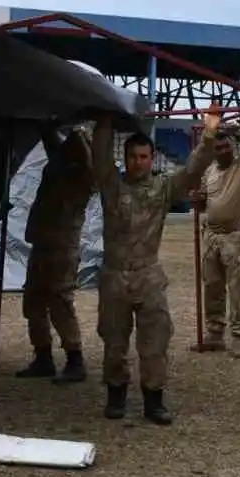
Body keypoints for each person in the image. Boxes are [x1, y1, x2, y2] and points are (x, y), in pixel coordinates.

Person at [92, 106, 221, 423]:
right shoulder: (112, 186)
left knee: (155, 342)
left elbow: (191, 171)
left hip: (149, 276)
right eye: (133, 157)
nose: (139, 163)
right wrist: (105, 120)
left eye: (144, 157)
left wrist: (210, 134)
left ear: (152, 158)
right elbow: (99, 156)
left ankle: (154, 401)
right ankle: (116, 396)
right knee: (114, 341)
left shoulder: (163, 188)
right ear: (125, 159)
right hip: (114, 277)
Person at [15, 126, 96, 384]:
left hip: (62, 249)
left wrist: (79, 134)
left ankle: (75, 359)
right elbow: (52, 141)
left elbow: (81, 155)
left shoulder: (83, 178)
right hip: (42, 244)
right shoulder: (57, 169)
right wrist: (46, 121)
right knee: (33, 302)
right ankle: (43, 357)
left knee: (60, 302)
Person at [190, 123, 240, 356]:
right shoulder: (210, 171)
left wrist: (239, 131)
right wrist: (199, 199)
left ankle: (239, 336)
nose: (223, 150)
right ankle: (215, 332)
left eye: (227, 146)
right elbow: (206, 201)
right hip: (212, 234)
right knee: (212, 286)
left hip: (236, 235)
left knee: (237, 288)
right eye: (218, 147)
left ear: (233, 147)